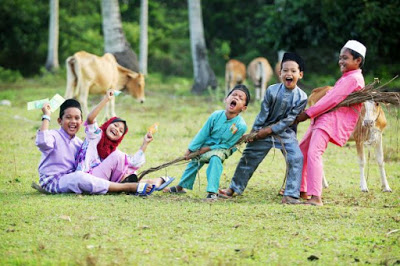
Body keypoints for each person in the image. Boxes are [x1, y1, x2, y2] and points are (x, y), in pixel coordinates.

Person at [219, 52, 308, 204]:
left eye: (293, 71)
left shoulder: (302, 97)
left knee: (296, 158)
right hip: (263, 132)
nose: (289, 73)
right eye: (285, 70)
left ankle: (291, 194)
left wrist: (269, 130)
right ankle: (233, 188)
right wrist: (256, 132)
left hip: (286, 134)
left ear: (300, 74)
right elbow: (263, 114)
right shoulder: (271, 91)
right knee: (249, 155)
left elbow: (290, 119)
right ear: (280, 73)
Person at [295, 40, 367, 206]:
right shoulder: (347, 77)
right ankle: (301, 189)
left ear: (358, 61)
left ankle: (316, 197)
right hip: (322, 118)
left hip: (329, 120)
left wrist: (307, 113)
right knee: (302, 150)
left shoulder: (354, 79)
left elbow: (332, 100)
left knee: (314, 153)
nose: (341, 61)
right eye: (340, 57)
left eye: (345, 58)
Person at [36, 99, 154, 195]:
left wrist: (144, 144)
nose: (73, 121)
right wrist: (46, 116)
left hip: (70, 178)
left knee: (115, 159)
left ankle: (149, 183)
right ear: (59, 121)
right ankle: (126, 187)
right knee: (80, 177)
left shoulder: (78, 143)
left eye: (77, 118)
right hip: (52, 182)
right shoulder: (53, 135)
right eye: (68, 117)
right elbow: (43, 142)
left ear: (81, 122)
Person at [75, 90, 174, 191]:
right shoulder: (95, 135)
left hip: (101, 179)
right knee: (119, 157)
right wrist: (106, 100)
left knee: (125, 164)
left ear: (121, 137)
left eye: (121, 131)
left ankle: (149, 183)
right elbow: (91, 118)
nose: (116, 129)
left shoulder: (112, 151)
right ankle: (146, 183)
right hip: (86, 176)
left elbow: (133, 163)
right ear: (108, 124)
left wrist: (145, 143)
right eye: (115, 125)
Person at [163, 84, 250, 200]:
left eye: (240, 98)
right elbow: (202, 134)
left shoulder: (241, 126)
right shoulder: (215, 116)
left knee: (215, 158)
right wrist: (191, 149)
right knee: (194, 160)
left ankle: (212, 192)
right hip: (206, 145)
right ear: (226, 99)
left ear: (243, 108)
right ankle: (181, 187)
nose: (236, 98)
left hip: (223, 149)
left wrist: (208, 149)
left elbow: (228, 144)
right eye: (234, 95)